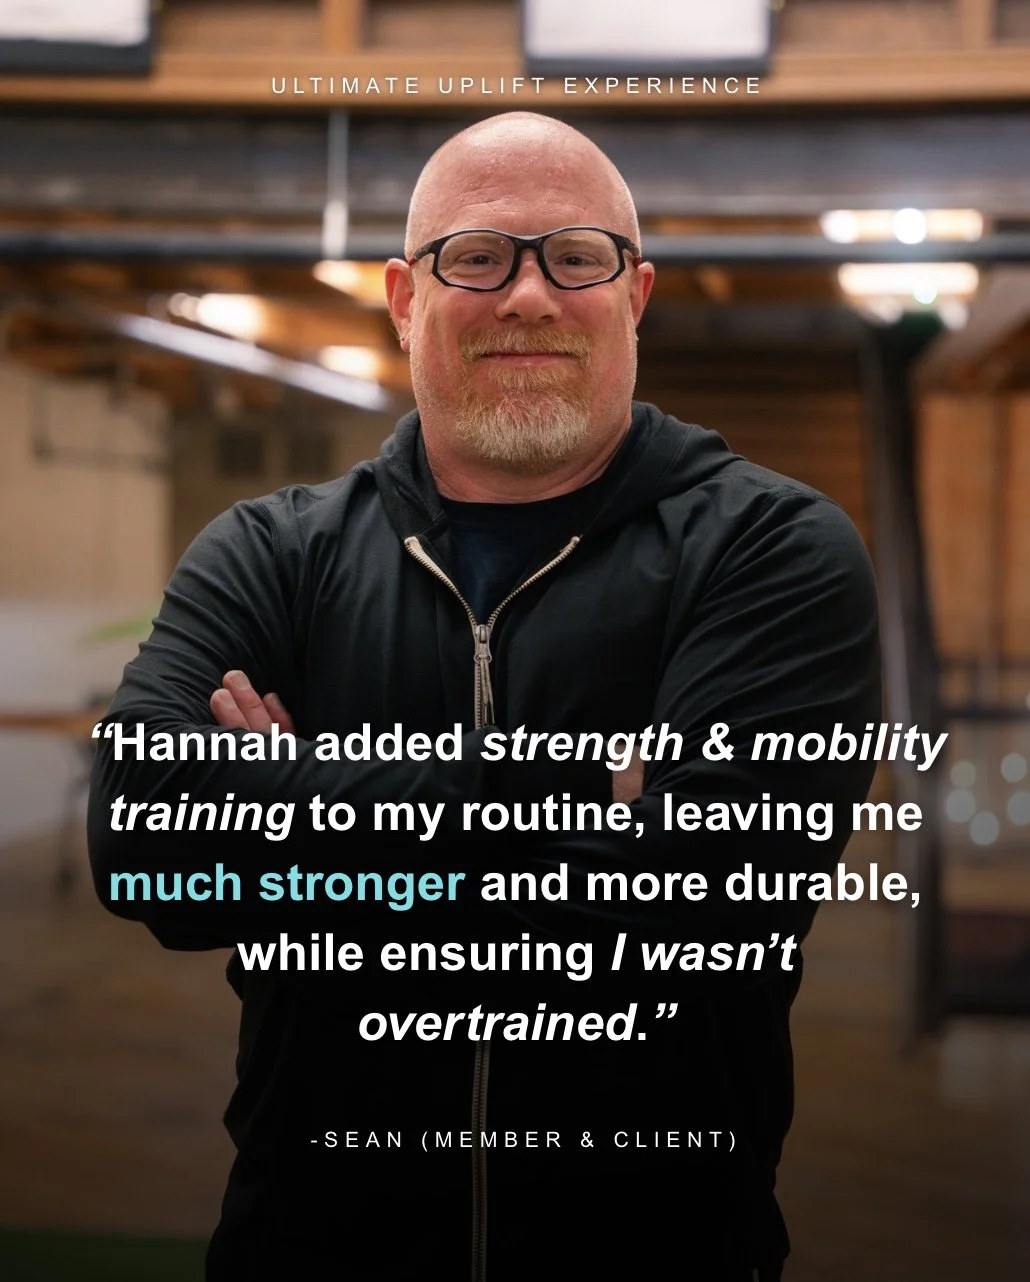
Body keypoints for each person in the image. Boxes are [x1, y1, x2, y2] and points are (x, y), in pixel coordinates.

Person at [89, 112, 882, 1281]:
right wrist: (580, 783)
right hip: (308, 1244)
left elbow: (705, 893)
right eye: (479, 257)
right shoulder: (269, 552)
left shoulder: (770, 547)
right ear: (405, 297)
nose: (526, 297)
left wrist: (288, 805)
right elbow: (148, 847)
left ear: (635, 294)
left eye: (575, 257)